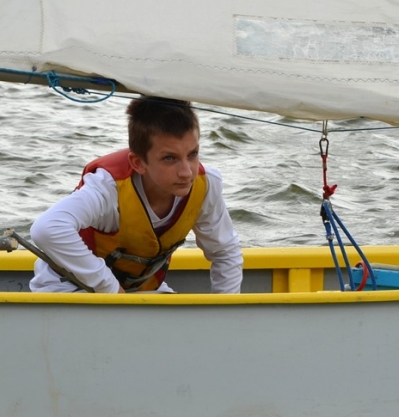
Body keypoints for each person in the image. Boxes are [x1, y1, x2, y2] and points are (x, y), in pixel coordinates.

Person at [29, 96, 243, 294]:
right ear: (138, 163)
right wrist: (111, 290)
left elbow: (226, 253)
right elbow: (47, 229)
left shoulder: (206, 185)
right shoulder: (108, 187)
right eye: (170, 158)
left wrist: (227, 318)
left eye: (192, 154)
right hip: (70, 289)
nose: (187, 172)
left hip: (140, 292)